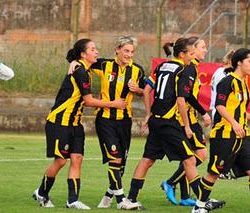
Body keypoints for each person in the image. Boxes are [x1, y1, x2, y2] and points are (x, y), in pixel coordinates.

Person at [32, 38, 127, 210]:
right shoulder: (80, 71)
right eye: (92, 49)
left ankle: (72, 200)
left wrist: (74, 60)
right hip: (59, 121)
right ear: (83, 54)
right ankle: (42, 192)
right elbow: (89, 101)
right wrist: (114, 104)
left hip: (75, 124)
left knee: (77, 159)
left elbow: (110, 62)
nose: (96, 51)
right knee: (61, 161)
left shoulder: (86, 69)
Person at [191, 48, 250, 213]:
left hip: (243, 135)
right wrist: (234, 123)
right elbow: (220, 106)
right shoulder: (226, 81)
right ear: (239, 62)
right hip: (224, 135)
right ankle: (199, 207)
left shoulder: (243, 83)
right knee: (213, 174)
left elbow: (236, 107)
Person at [125, 37, 208, 211]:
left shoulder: (162, 66)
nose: (192, 57)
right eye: (191, 53)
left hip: (156, 120)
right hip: (169, 123)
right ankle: (201, 203)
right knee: (190, 159)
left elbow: (147, 90)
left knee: (147, 160)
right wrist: (186, 126)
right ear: (181, 54)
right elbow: (181, 100)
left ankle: (130, 199)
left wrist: (148, 114)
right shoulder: (183, 70)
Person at [156, 37, 225, 210]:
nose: (205, 50)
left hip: (189, 118)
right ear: (192, 49)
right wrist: (203, 113)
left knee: (192, 157)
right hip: (183, 119)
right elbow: (185, 98)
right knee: (198, 155)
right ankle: (172, 183)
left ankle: (185, 195)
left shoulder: (191, 67)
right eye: (202, 47)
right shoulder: (188, 68)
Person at [91, 36, 145, 210]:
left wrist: (138, 90)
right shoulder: (103, 65)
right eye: (126, 51)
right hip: (105, 120)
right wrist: (74, 63)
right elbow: (83, 61)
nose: (129, 55)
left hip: (125, 121)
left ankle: (108, 196)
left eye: (132, 52)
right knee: (115, 159)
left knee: (121, 163)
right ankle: (122, 200)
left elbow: (147, 91)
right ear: (117, 50)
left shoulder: (137, 70)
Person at [210, 50, 248, 180]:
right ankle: (223, 169)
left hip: (224, 112)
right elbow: (222, 101)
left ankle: (226, 169)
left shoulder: (219, 72)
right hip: (224, 114)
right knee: (224, 147)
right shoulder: (226, 76)